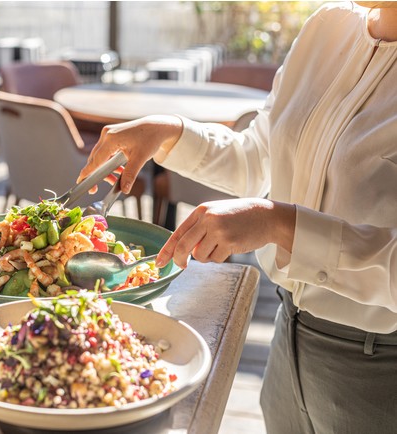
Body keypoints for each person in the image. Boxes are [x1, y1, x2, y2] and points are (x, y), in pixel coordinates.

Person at [77, 2, 397, 433]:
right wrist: (170, 131)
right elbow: (258, 159)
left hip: (380, 370)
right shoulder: (328, 26)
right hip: (289, 339)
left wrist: (278, 224)